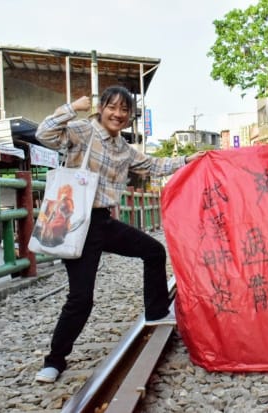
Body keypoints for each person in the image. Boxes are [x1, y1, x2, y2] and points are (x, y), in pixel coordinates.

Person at [34, 86, 205, 383]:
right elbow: (43, 134)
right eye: (112, 107)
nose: (118, 114)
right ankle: (54, 360)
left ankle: (155, 312)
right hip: (76, 223)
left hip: (103, 222)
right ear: (101, 108)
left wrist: (189, 159)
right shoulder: (83, 131)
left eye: (124, 110)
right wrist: (73, 107)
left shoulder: (122, 148)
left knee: (153, 251)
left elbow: (153, 166)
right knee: (81, 298)